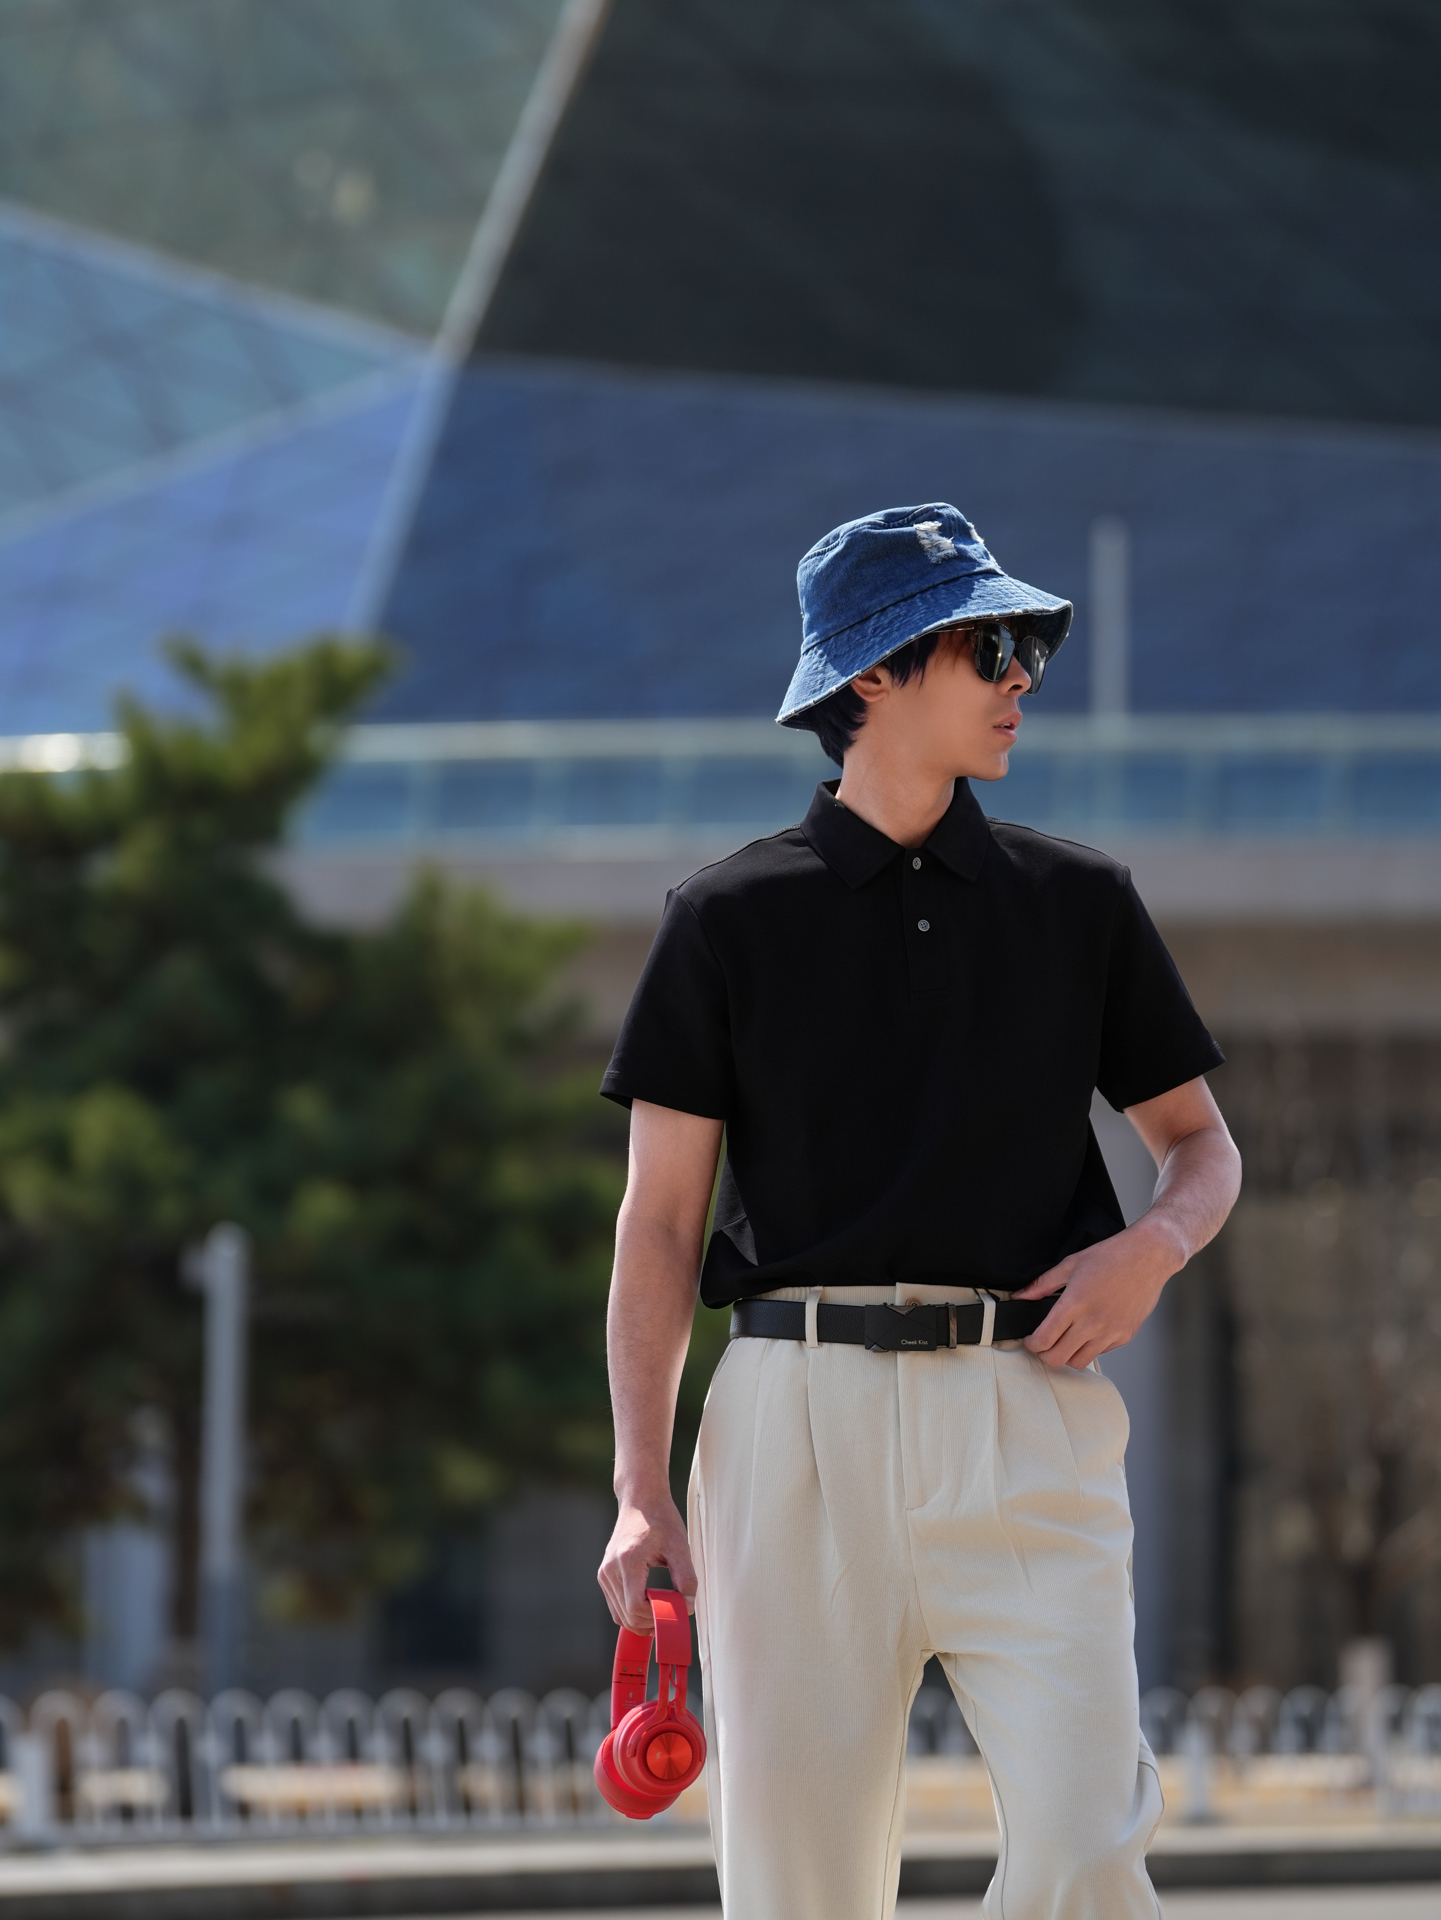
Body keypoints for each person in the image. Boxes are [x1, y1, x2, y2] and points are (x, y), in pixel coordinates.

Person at [597, 502, 1241, 1919]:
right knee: (798, 1891)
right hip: (790, 1428)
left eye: (1028, 651)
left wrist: (1152, 1247)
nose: (1023, 681)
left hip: (1028, 1405)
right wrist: (643, 1489)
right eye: (990, 649)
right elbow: (657, 1227)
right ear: (874, 673)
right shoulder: (724, 919)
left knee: (1088, 1845)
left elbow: (1200, 1147)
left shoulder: (1077, 903)